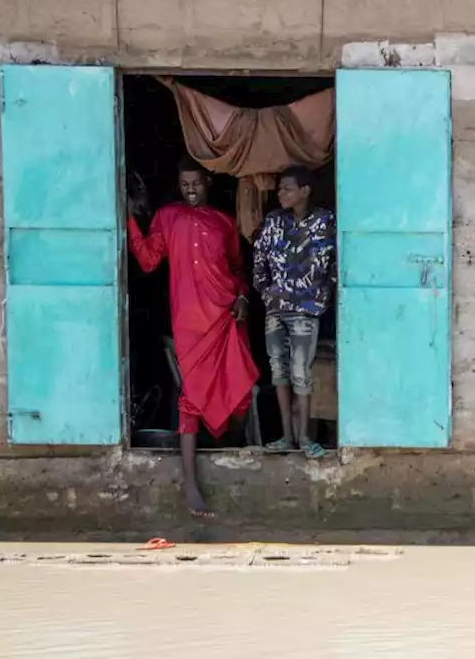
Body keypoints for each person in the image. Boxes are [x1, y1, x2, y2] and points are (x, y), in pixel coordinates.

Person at [127, 157, 260, 518]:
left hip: (227, 318)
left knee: (240, 394)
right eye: (184, 185)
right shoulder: (167, 217)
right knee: (191, 400)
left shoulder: (225, 222)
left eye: (196, 184)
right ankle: (190, 485)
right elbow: (149, 260)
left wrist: (244, 297)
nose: (190, 190)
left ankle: (233, 451)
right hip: (190, 324)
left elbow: (237, 268)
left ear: (208, 183)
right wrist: (130, 220)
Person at [253, 165, 335, 459]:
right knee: (279, 373)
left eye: (286, 188)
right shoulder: (274, 221)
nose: (280, 193)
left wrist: (323, 296)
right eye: (279, 188)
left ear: (305, 191)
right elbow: (259, 259)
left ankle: (304, 438)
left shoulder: (325, 222)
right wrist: (266, 292)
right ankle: (286, 437)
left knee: (302, 373)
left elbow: (338, 262)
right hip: (276, 310)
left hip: (306, 310)